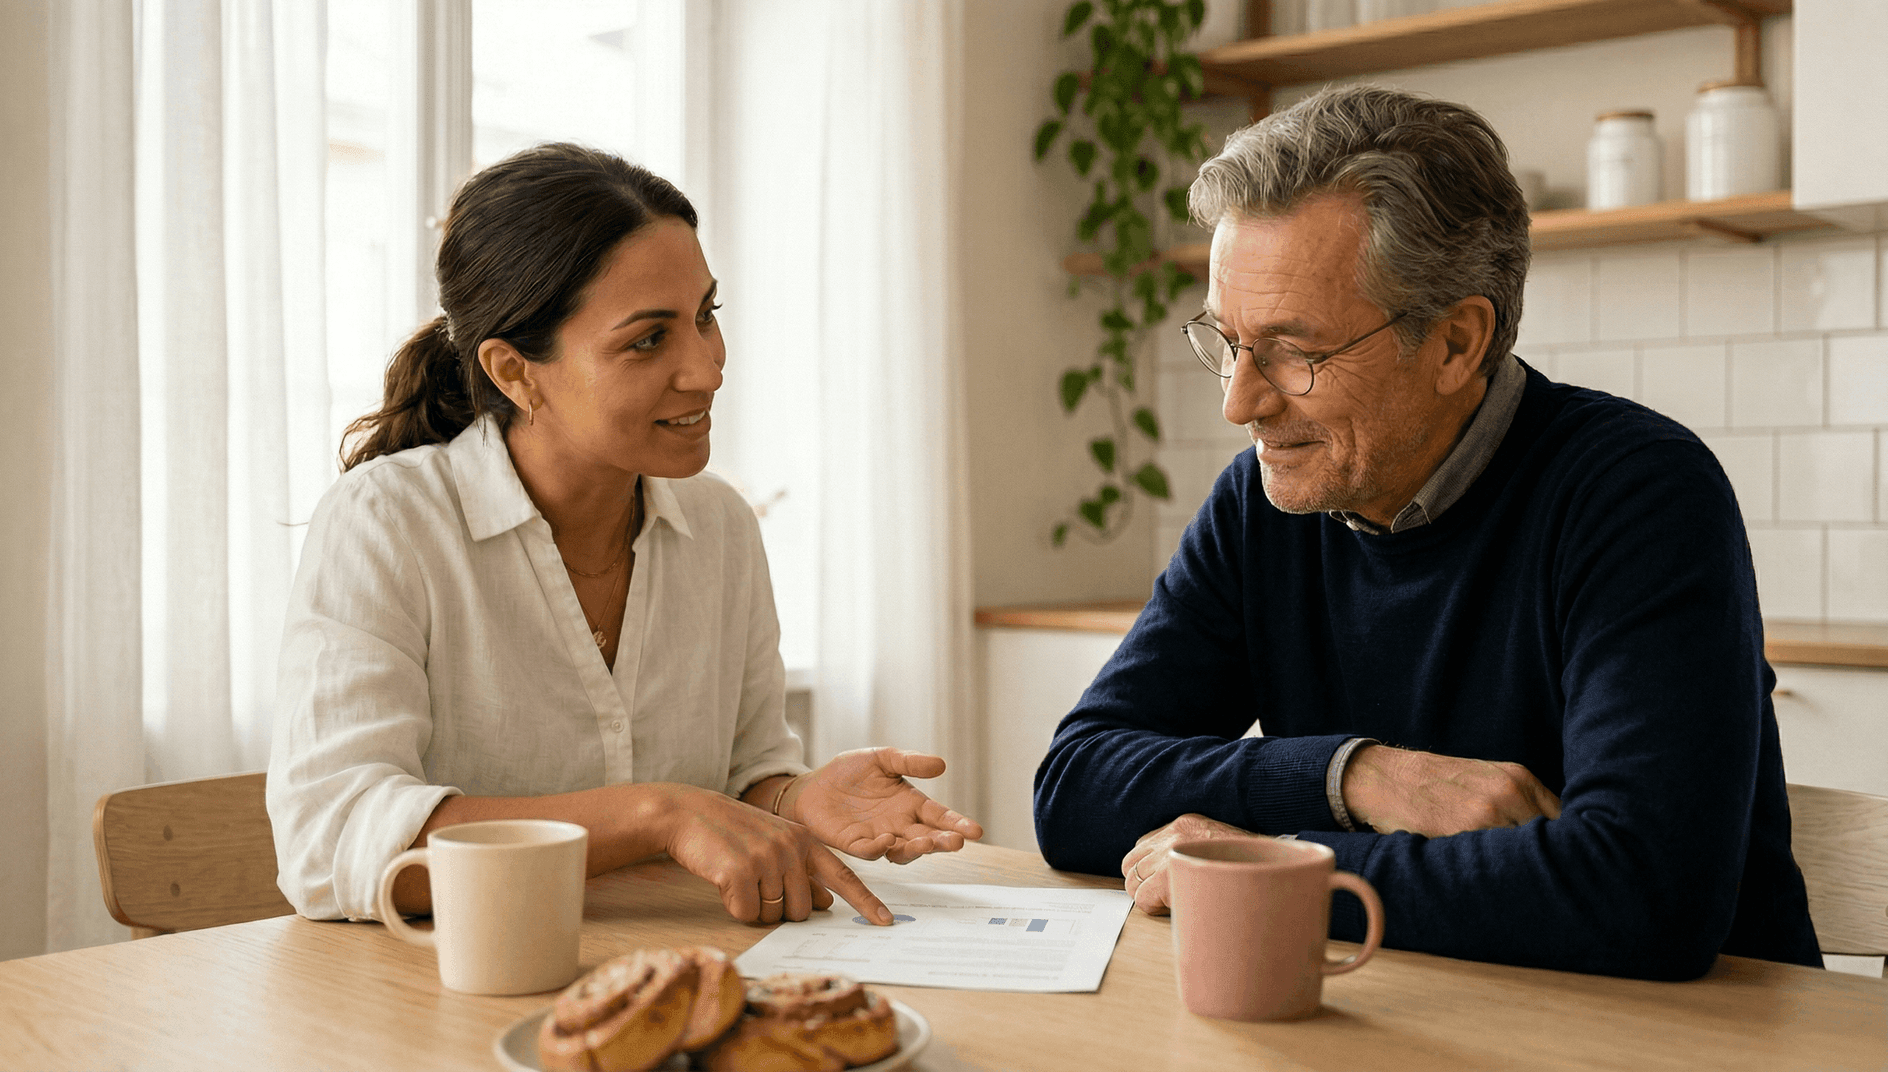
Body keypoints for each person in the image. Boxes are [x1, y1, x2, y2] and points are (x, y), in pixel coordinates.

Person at [1032, 86, 1821, 980]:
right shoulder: (1263, 501)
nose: (1238, 401)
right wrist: (1357, 777)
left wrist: (1261, 867)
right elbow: (1074, 788)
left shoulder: (1639, 494)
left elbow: (1643, 894)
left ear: (1455, 343)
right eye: (1228, 339)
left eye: (1296, 351)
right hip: (1415, 1009)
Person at [268, 143, 980, 928]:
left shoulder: (719, 528)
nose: (707, 369)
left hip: (671, 976)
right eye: (648, 340)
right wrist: (655, 814)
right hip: (433, 1003)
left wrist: (794, 796)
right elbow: (330, 844)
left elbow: (744, 775)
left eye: (705, 316)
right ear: (513, 372)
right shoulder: (388, 524)